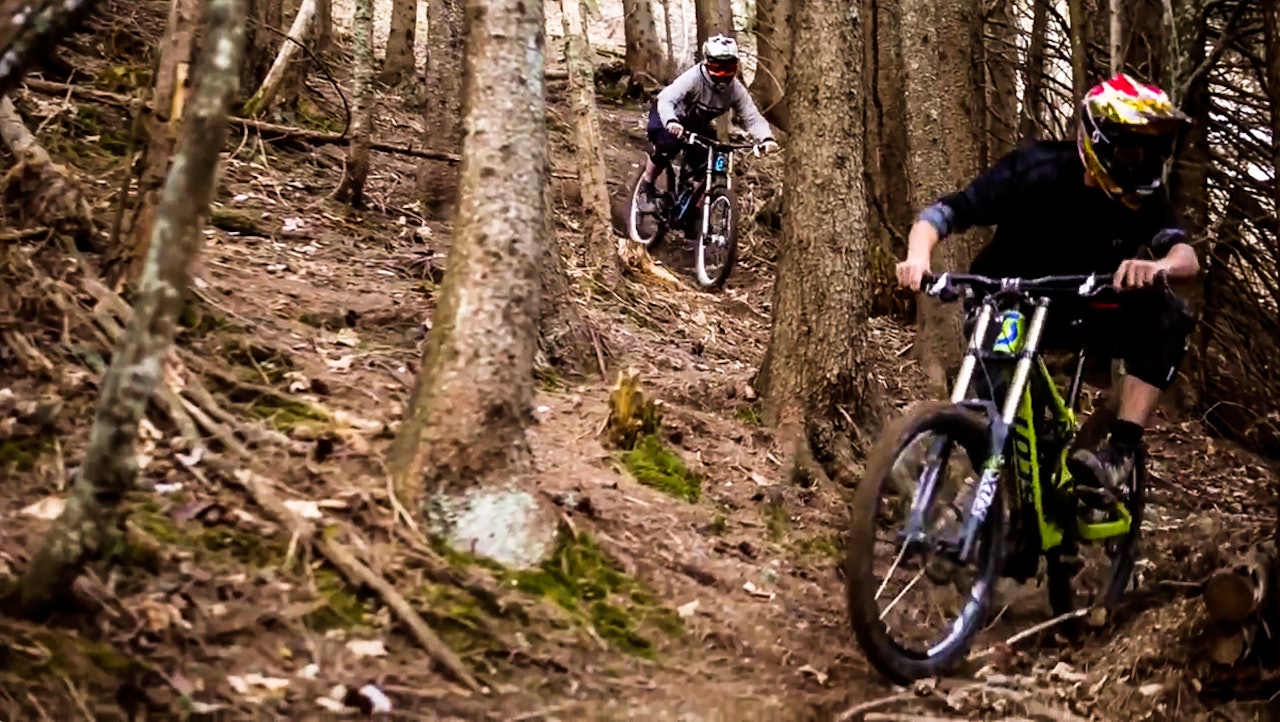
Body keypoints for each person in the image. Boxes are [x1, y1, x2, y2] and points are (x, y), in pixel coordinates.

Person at [894, 73, 1200, 505]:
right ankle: (993, 492)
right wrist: (918, 257)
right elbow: (947, 212)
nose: (1141, 165)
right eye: (1131, 151)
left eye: (1152, 154)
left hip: (1090, 306)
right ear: (1099, 142)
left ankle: (1121, 450)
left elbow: (1186, 258)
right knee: (1000, 407)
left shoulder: (1146, 198)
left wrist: (1157, 266)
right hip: (1009, 301)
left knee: (1168, 316)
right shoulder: (1033, 167)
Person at [635, 34, 778, 212]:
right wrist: (671, 121)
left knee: (710, 161)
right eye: (718, 67)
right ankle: (646, 186)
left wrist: (766, 138)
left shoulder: (735, 89)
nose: (724, 74)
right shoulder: (694, 78)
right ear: (707, 63)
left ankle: (694, 209)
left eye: (729, 68)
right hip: (668, 114)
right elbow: (666, 99)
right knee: (668, 144)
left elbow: (752, 117)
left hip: (696, 124)